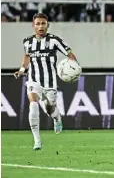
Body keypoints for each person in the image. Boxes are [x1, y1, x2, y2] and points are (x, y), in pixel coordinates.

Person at [14, 13, 79, 150]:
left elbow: (69, 53)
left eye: (43, 23)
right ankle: (37, 140)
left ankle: (57, 118)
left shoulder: (54, 40)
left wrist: (75, 67)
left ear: (47, 25)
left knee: (49, 109)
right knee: (33, 104)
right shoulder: (27, 42)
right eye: (38, 24)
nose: (40, 26)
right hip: (33, 79)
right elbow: (27, 57)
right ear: (33, 26)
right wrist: (21, 70)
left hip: (50, 82)